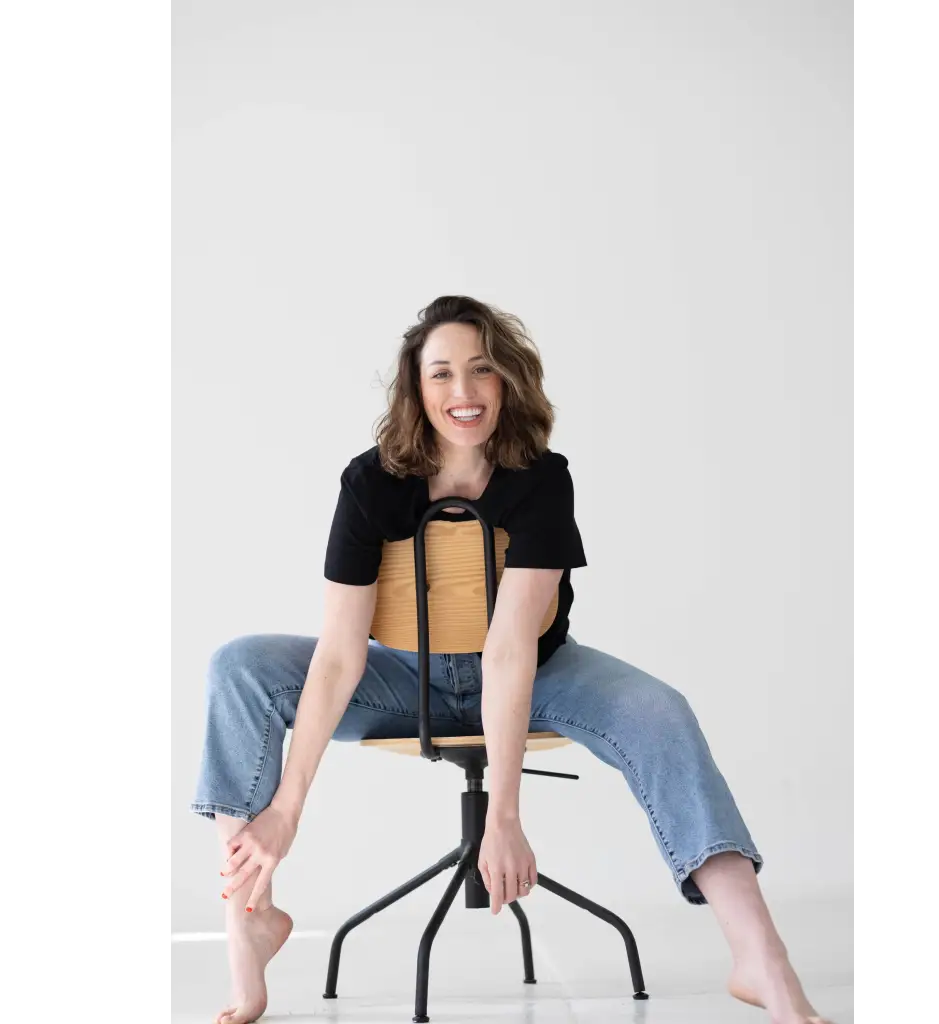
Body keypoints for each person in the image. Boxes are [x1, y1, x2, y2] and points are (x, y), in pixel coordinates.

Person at [191, 295, 832, 1024]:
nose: (462, 393)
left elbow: (508, 650)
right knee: (239, 666)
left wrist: (505, 813)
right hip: (406, 678)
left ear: (508, 382)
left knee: (661, 712)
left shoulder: (542, 479)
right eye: (441, 375)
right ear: (415, 387)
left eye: (482, 370)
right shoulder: (370, 482)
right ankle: (250, 917)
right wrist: (285, 812)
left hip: (541, 674)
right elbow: (340, 656)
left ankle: (760, 958)